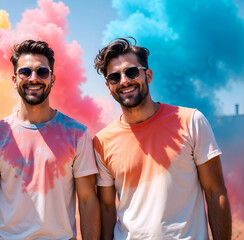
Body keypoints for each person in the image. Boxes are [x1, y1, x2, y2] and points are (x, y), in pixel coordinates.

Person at [93, 37, 232, 240]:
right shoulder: (102, 141)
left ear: (148, 75)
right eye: (115, 77)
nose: (124, 81)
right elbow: (106, 207)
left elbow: (215, 191)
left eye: (131, 72)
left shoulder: (191, 121)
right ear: (108, 86)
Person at [0, 39, 100, 240]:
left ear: (53, 78)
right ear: (15, 79)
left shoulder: (77, 133)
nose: (34, 78)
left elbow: (87, 200)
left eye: (42, 72)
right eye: (25, 72)